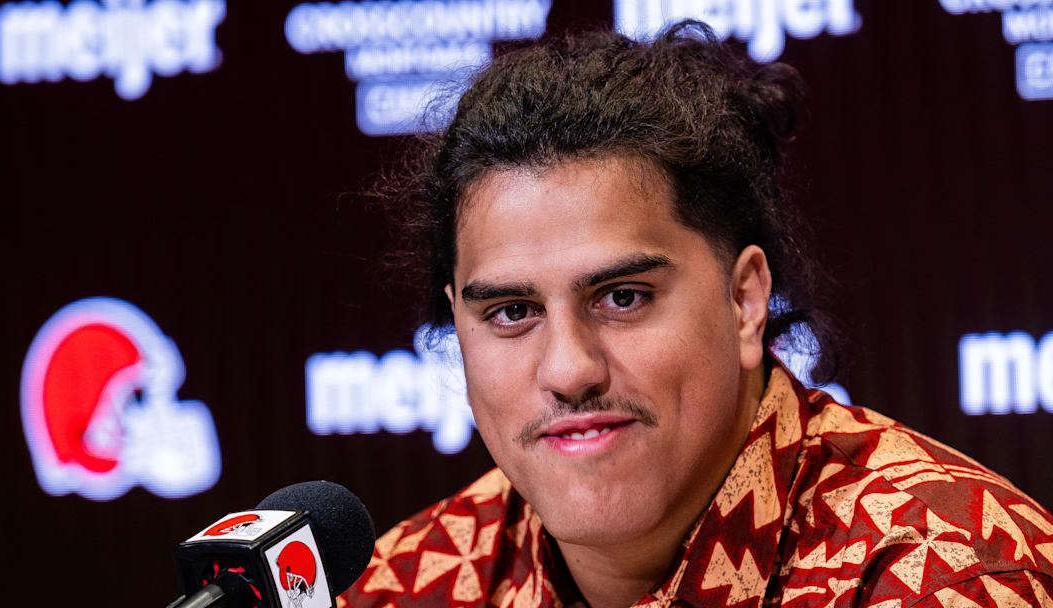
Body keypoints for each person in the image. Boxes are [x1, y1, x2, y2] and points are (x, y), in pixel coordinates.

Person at [341, 21, 1053, 608]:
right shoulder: (405, 586)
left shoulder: (948, 576)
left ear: (744, 300)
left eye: (623, 298)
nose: (568, 370)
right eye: (511, 311)